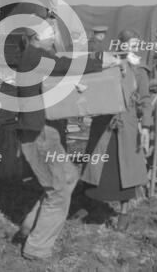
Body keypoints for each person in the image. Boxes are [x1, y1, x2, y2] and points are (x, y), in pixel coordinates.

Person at [15, 19, 118, 261]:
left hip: (45, 131)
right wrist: (101, 61)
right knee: (58, 191)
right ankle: (36, 249)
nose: (54, 34)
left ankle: (29, 227)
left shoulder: (35, 57)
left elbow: (60, 71)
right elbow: (66, 65)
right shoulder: (34, 56)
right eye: (50, 31)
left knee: (68, 178)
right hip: (39, 133)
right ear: (37, 37)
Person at [81, 29, 152, 231]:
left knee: (127, 174)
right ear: (121, 44)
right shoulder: (107, 64)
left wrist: (145, 126)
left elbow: (145, 100)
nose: (134, 47)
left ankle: (124, 214)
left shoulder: (140, 70)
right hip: (104, 125)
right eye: (130, 43)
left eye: (137, 44)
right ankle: (88, 208)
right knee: (98, 170)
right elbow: (92, 88)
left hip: (127, 127)